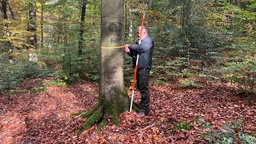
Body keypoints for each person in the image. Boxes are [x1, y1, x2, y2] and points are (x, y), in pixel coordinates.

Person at [123, 26, 154, 117]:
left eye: (138, 33)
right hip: (138, 67)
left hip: (144, 67)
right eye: (136, 33)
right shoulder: (138, 42)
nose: (137, 34)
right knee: (140, 87)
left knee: (144, 88)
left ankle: (145, 109)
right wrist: (128, 50)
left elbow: (142, 49)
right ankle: (142, 105)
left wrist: (130, 45)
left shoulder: (148, 40)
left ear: (144, 32)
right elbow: (134, 54)